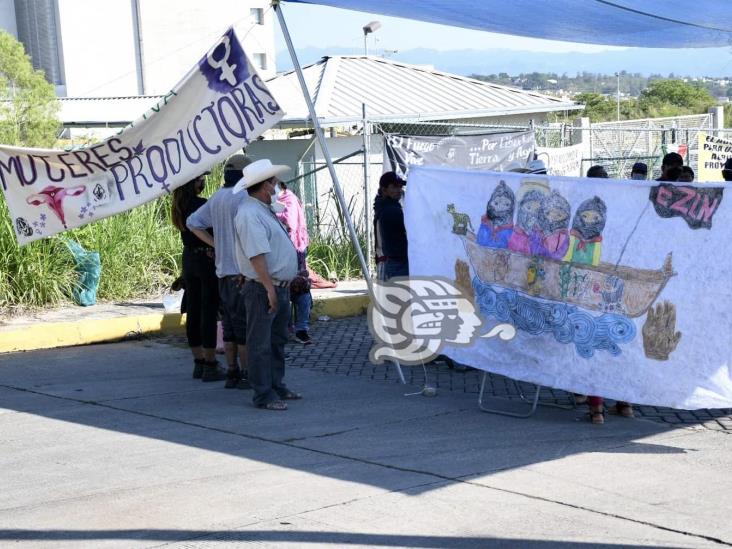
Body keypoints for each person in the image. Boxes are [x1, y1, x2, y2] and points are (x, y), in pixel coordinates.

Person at [233, 159, 302, 411]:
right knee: (261, 342)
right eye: (272, 182)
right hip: (265, 286)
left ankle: (275, 385)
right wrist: (269, 289)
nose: (276, 187)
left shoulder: (261, 209)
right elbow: (256, 255)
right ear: (264, 186)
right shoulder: (250, 213)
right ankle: (264, 393)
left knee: (275, 340)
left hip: (273, 285)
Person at [186, 153, 252, 389]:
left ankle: (233, 372)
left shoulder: (217, 197)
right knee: (244, 327)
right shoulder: (245, 198)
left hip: (222, 272)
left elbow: (192, 223)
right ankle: (246, 374)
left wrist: (216, 244)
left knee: (230, 328)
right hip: (242, 272)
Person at [171, 174, 225, 382]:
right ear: (194, 182)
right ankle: (210, 363)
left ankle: (199, 362)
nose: (203, 182)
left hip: (189, 259)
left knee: (193, 310)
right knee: (208, 311)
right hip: (206, 258)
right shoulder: (201, 205)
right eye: (201, 179)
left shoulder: (179, 205)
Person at [275, 180, 313, 345]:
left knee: (296, 289)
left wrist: (273, 212)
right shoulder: (289, 199)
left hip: (292, 251)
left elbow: (290, 223)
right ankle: (296, 328)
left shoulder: (288, 200)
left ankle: (298, 329)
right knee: (295, 289)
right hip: (293, 250)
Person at [374, 172, 408, 281]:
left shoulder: (384, 206)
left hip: (392, 262)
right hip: (398, 262)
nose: (399, 190)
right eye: (394, 186)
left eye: (400, 186)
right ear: (384, 190)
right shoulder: (391, 210)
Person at [477, 181, 515, 248]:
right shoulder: (485, 220)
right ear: (491, 202)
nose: (500, 207)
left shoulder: (508, 225)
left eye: (506, 204)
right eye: (496, 203)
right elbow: (481, 239)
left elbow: (506, 243)